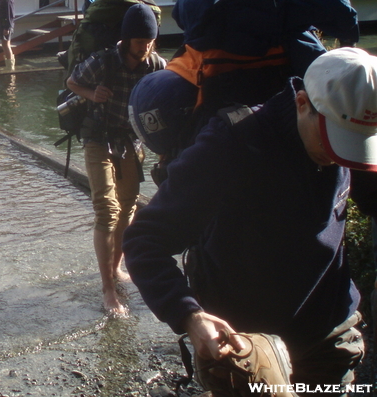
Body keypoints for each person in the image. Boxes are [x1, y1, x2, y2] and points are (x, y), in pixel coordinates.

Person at [123, 47, 377, 391]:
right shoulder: (234, 143)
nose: (339, 157)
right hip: (244, 344)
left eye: (353, 147)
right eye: (333, 142)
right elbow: (144, 240)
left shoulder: (352, 129)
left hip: (329, 329)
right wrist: (189, 316)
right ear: (302, 102)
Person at [66, 3, 166, 315]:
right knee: (107, 210)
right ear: (126, 39)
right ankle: (108, 290)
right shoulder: (103, 61)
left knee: (128, 205)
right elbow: (71, 82)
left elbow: (165, 104)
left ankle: (115, 267)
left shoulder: (156, 65)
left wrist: (165, 148)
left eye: (150, 42)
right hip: (98, 136)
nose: (145, 48)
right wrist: (91, 92)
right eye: (140, 43)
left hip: (131, 140)